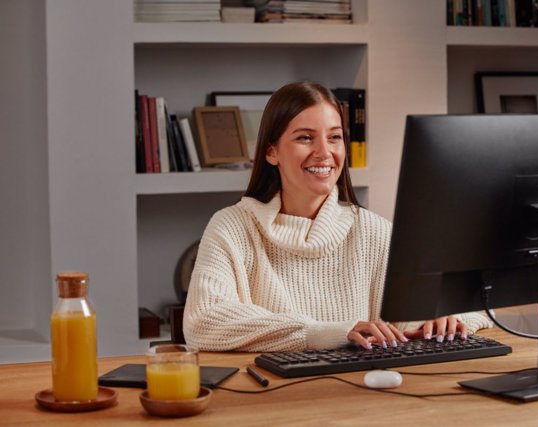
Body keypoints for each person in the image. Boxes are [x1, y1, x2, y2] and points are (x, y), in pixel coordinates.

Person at [183, 81, 491, 352]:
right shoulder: (232, 228)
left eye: (334, 138)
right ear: (271, 152)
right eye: (305, 138)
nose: (324, 152)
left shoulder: (372, 231)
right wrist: (325, 333)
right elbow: (203, 322)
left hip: (359, 401)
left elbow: (476, 307)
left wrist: (448, 318)